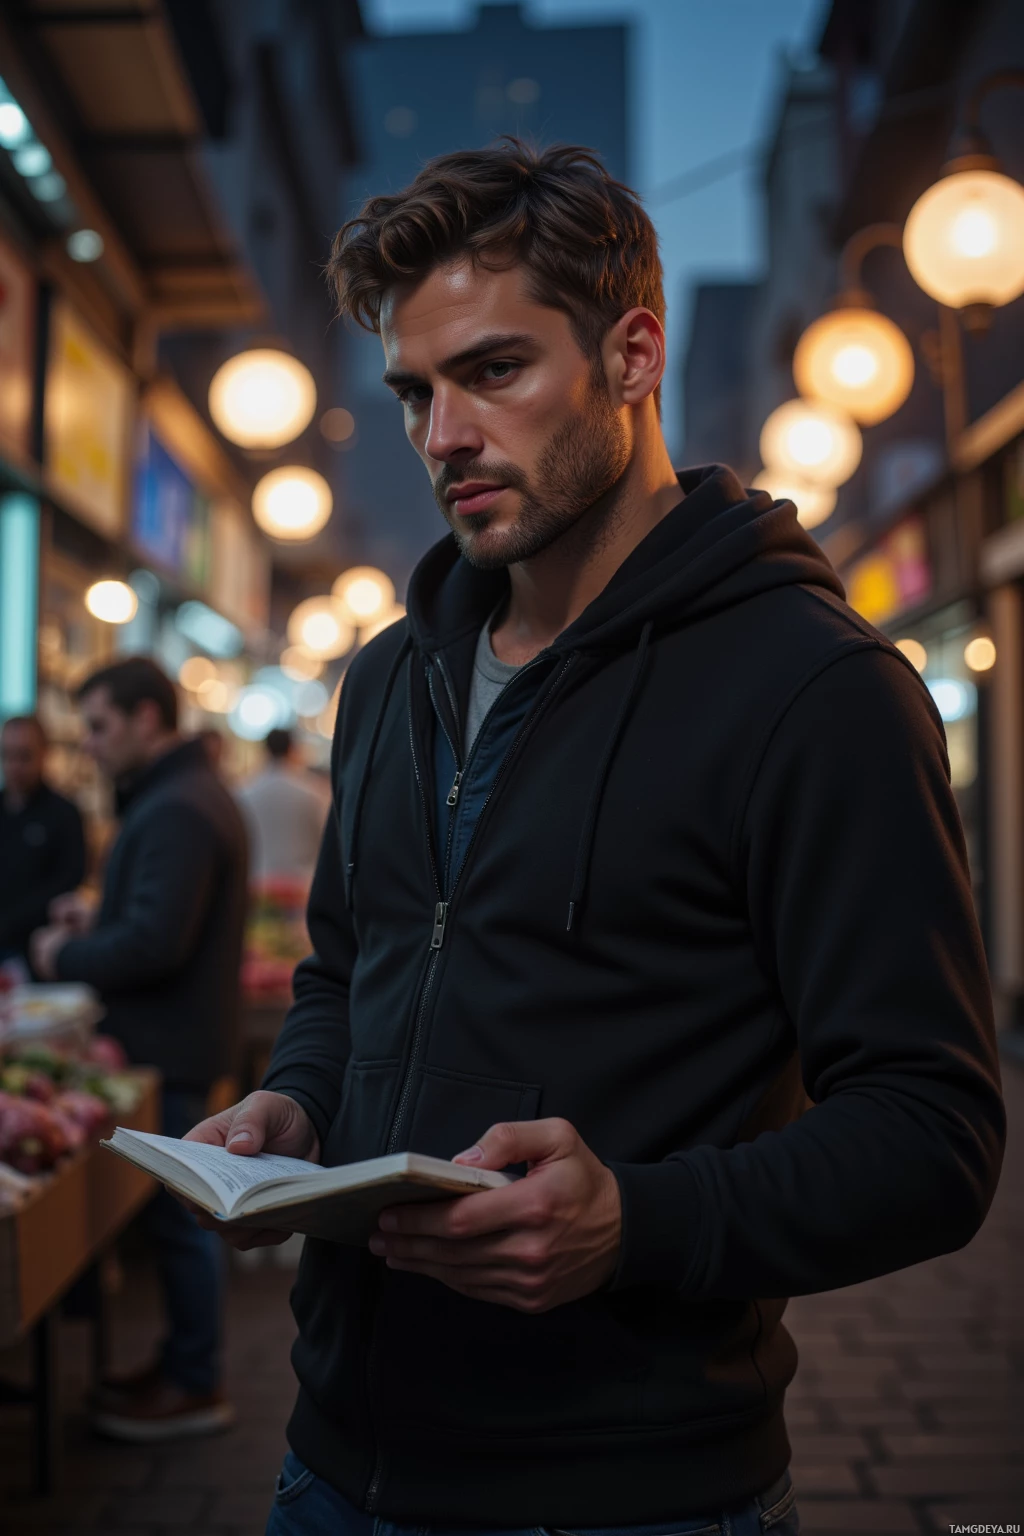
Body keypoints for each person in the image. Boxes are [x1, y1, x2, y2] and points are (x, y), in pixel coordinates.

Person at [187, 141, 1006, 1535]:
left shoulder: (815, 689)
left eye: (493, 370)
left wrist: (636, 1219)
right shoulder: (387, 679)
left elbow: (934, 1133)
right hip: (331, 1460)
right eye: (414, 392)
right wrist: (300, 1103)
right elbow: (342, 967)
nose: (442, 435)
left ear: (633, 356)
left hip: (635, 1492)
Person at [30, 656, 248, 1440]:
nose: (87, 744)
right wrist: (101, 919)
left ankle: (194, 1381)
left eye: (98, 726)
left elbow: (157, 943)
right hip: (174, 1040)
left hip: (168, 1047)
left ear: (146, 718)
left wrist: (64, 954)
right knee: (176, 1219)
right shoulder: (179, 794)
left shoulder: (177, 806)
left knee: (182, 1223)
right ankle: (183, 1366)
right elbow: (160, 918)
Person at [0, 715, 85, 974]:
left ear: (44, 754)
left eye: (24, 756)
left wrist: (11, 921)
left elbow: (69, 879)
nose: (14, 766)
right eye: (7, 755)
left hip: (40, 953)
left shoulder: (63, 814)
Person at [235, 727, 327, 887]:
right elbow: (324, 838)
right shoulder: (313, 793)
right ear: (292, 749)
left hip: (258, 881)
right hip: (301, 884)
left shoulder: (244, 792)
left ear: (265, 750)